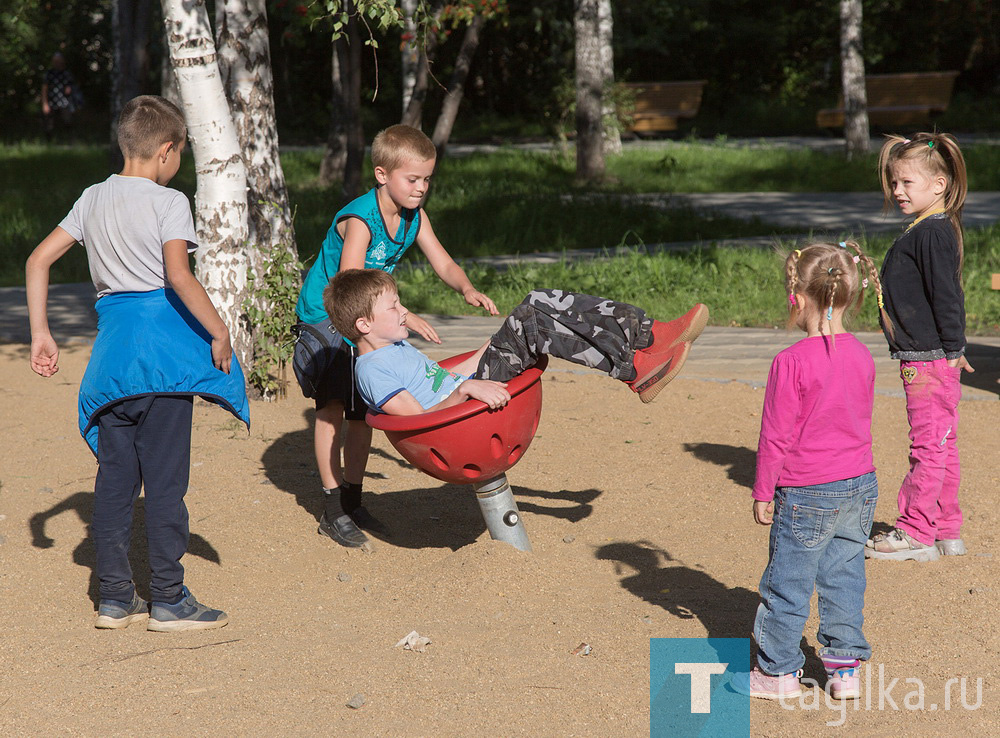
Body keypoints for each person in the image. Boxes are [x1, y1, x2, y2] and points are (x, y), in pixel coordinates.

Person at [25, 95, 249, 632]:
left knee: (114, 482)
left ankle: (114, 599)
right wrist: (220, 331)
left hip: (112, 364)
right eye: (180, 157)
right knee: (166, 485)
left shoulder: (91, 197)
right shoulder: (169, 202)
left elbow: (37, 259)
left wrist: (41, 333)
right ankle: (169, 599)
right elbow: (177, 274)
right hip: (163, 361)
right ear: (167, 151)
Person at [293, 124, 498, 548]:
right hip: (329, 313)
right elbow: (350, 281)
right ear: (382, 175)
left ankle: (353, 496)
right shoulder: (361, 220)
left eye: (427, 179)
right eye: (413, 179)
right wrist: (404, 312)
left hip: (369, 314)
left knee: (364, 409)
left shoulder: (413, 217)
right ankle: (332, 509)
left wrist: (466, 288)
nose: (421, 188)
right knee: (333, 406)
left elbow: (442, 261)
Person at [731, 241, 882, 702]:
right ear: (850, 296)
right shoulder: (863, 355)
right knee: (844, 576)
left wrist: (762, 490)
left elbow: (775, 436)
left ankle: (777, 673)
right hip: (860, 484)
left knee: (788, 582)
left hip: (807, 491)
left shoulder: (790, 362)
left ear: (796, 296)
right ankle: (844, 669)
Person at [323, 269, 709, 417]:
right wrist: (468, 388)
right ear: (364, 323)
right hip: (462, 414)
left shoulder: (393, 349)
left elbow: (436, 377)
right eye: (395, 307)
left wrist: (488, 347)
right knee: (534, 321)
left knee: (537, 302)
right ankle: (635, 367)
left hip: (472, 385)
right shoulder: (371, 370)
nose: (405, 311)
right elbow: (420, 417)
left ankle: (650, 334)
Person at [865, 132, 972, 562]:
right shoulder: (932, 228)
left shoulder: (931, 233)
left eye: (907, 183)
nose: (898, 191)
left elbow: (947, 297)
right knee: (942, 443)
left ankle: (916, 532)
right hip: (932, 357)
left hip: (929, 361)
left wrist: (953, 347)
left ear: (939, 184)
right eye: (894, 183)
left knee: (928, 446)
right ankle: (947, 530)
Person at [41, 52, 80, 141]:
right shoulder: (49, 73)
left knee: (68, 122)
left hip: (65, 102)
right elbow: (44, 88)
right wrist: (45, 103)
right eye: (55, 61)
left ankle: (71, 142)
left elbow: (73, 86)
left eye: (59, 61)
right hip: (51, 102)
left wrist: (69, 89)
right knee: (48, 124)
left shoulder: (66, 73)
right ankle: (49, 142)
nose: (57, 63)